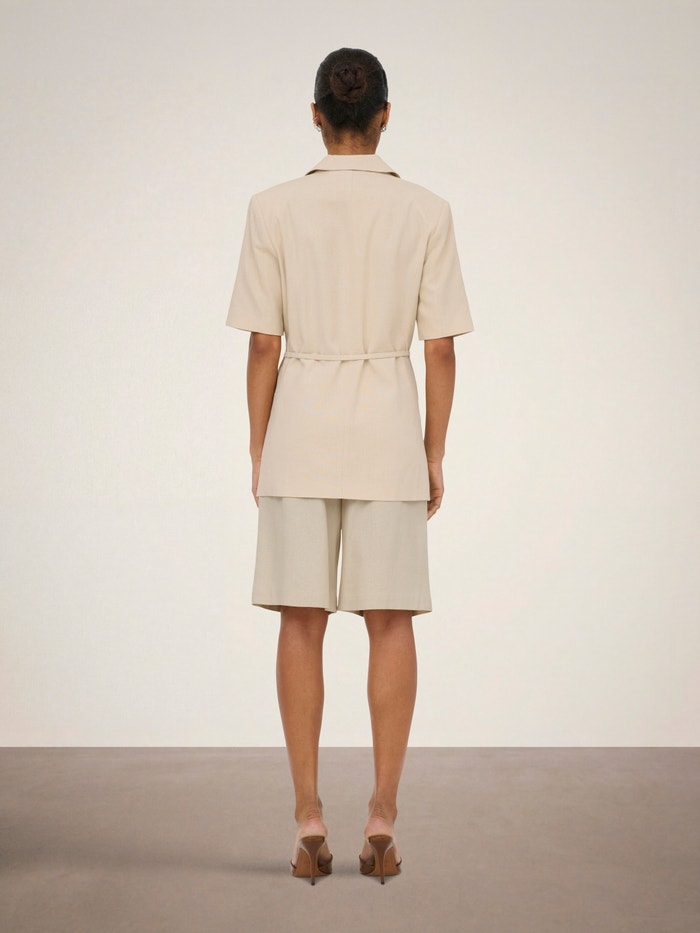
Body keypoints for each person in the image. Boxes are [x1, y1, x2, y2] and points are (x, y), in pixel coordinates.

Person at [225, 47, 474, 885]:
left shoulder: (271, 208)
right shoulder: (427, 211)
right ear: (385, 116)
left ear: (316, 116)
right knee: (390, 621)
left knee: (301, 621)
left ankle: (308, 816)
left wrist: (258, 443)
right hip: (388, 431)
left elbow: (264, 343)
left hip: (301, 427)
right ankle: (382, 815)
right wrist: (433, 449)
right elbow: (440, 349)